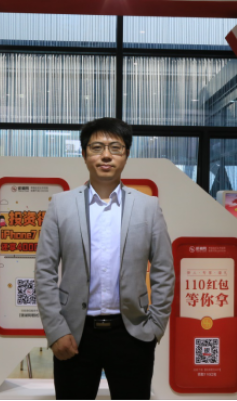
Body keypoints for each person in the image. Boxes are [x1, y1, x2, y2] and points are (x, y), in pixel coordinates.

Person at [35, 117, 175, 400]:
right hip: (74, 334)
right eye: (97, 147)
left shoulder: (148, 207)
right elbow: (44, 271)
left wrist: (155, 328)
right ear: (84, 153)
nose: (106, 155)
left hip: (132, 334)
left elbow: (164, 270)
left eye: (116, 148)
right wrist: (56, 330)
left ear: (126, 154)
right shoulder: (61, 205)